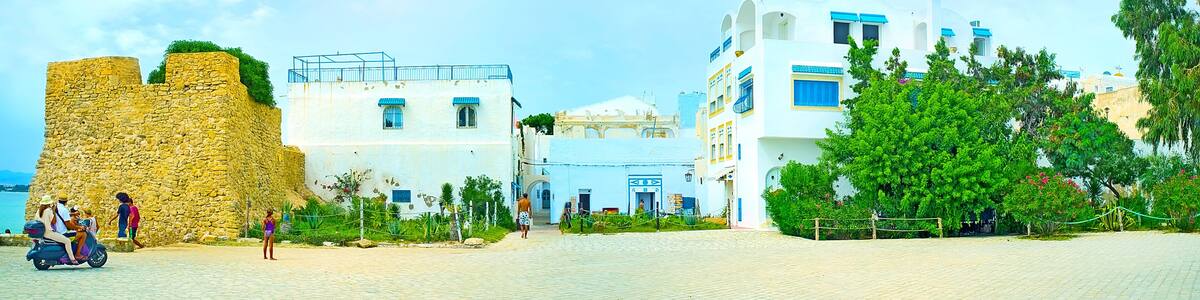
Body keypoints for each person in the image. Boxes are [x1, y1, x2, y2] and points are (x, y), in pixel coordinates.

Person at [35, 195, 77, 263]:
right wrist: (53, 211)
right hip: (49, 233)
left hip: (42, 233)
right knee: (67, 241)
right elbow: (54, 221)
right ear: (49, 203)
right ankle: (72, 259)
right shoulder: (48, 211)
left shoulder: (38, 211)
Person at [56, 194, 87, 260]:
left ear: (58, 201)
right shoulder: (64, 210)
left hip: (56, 231)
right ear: (66, 202)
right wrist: (78, 227)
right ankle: (77, 254)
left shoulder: (55, 208)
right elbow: (68, 225)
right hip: (63, 232)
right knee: (83, 234)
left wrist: (73, 214)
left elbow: (63, 214)